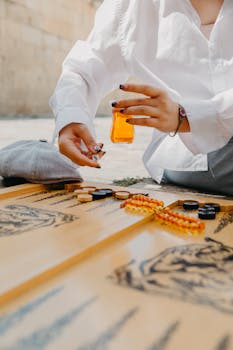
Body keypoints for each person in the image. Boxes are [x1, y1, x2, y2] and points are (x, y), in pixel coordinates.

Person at [50, 0, 233, 195]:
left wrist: (191, 116)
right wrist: (71, 119)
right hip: (188, 151)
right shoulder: (131, 7)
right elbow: (82, 70)